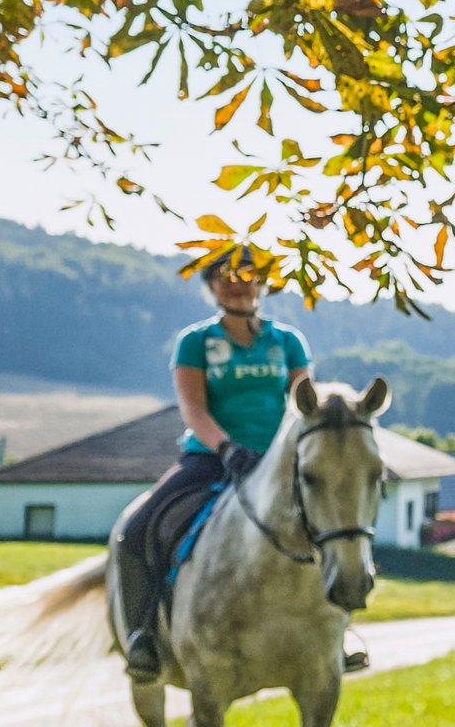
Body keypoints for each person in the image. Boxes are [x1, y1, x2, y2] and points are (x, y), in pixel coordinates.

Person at [111, 254, 312, 682]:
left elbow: (302, 406)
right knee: (139, 527)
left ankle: (337, 633)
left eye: (247, 278)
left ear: (264, 284)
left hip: (275, 464)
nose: (237, 286)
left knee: (329, 524)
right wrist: (226, 448)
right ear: (211, 287)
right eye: (225, 279)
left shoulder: (289, 341)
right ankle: (142, 634)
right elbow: (193, 408)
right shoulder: (195, 341)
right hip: (211, 458)